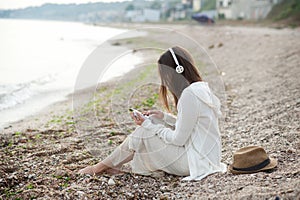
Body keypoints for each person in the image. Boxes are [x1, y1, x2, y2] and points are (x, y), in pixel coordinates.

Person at [79, 46, 226, 180]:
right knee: (154, 122)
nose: (166, 81)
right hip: (207, 159)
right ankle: (109, 165)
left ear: (177, 71)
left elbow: (178, 140)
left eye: (166, 75)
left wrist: (148, 125)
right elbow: (193, 124)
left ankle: (99, 168)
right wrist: (164, 117)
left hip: (194, 163)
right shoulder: (201, 88)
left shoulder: (189, 95)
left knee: (144, 131)